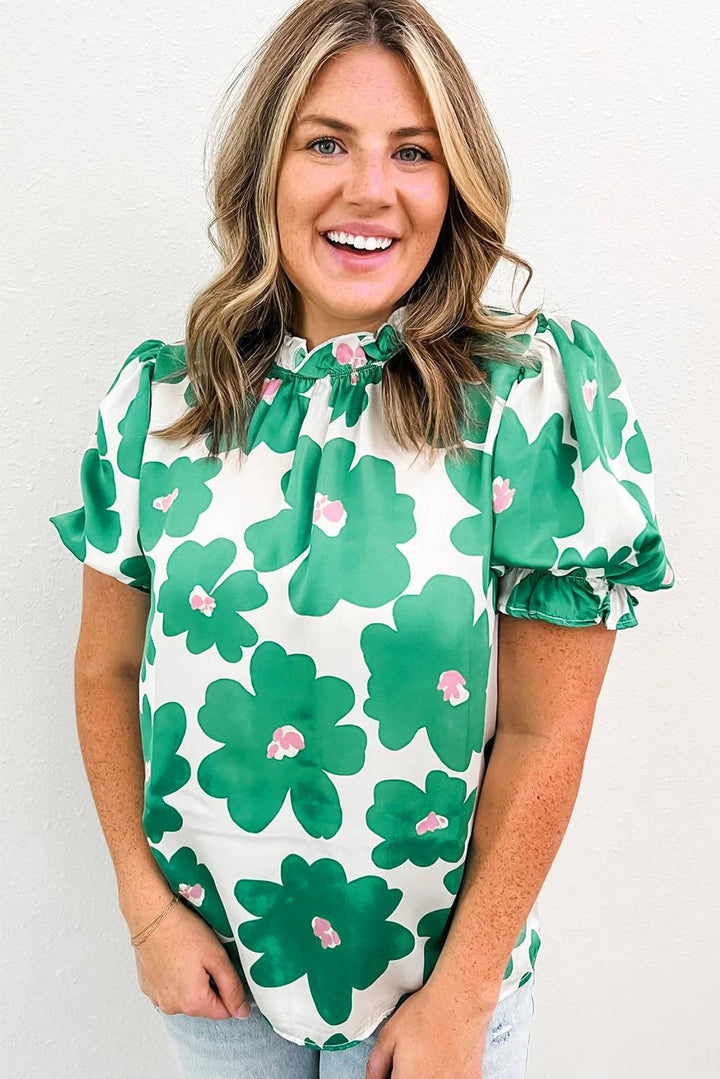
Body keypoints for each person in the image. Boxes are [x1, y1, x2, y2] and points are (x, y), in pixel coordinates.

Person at [47, 1, 676, 1076]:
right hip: (215, 975)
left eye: (413, 152)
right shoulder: (161, 401)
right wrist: (147, 909)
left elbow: (543, 734)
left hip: (430, 997)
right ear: (268, 168)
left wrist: (464, 995)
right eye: (326, 141)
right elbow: (109, 665)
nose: (368, 189)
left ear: (454, 181)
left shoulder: (526, 403)